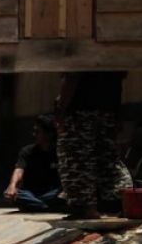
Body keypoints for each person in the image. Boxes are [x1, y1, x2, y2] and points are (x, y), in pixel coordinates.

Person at [56, 72, 133, 219]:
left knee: (76, 159)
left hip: (80, 109)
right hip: (107, 108)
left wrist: (61, 108)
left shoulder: (82, 52)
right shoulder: (112, 51)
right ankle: (119, 203)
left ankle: (85, 208)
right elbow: (119, 80)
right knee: (107, 158)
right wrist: (116, 114)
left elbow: (72, 75)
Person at [4, 116, 63, 212]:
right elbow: (19, 170)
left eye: (37, 132)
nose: (34, 134)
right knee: (15, 194)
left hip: (52, 193)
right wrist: (12, 185)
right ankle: (45, 207)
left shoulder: (59, 152)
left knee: (64, 194)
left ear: (49, 134)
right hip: (30, 193)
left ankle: (35, 205)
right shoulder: (27, 151)